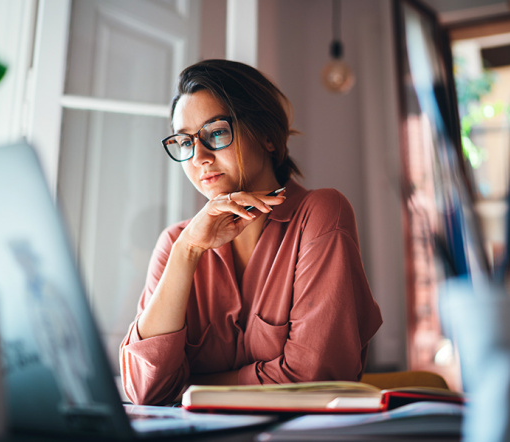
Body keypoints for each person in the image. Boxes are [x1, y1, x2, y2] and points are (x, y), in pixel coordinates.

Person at [119, 59, 382, 405]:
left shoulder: (320, 215)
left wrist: (189, 387)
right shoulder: (176, 243)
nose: (198, 157)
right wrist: (187, 252)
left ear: (268, 136)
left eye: (215, 133)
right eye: (185, 143)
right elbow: (144, 390)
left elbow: (313, 380)